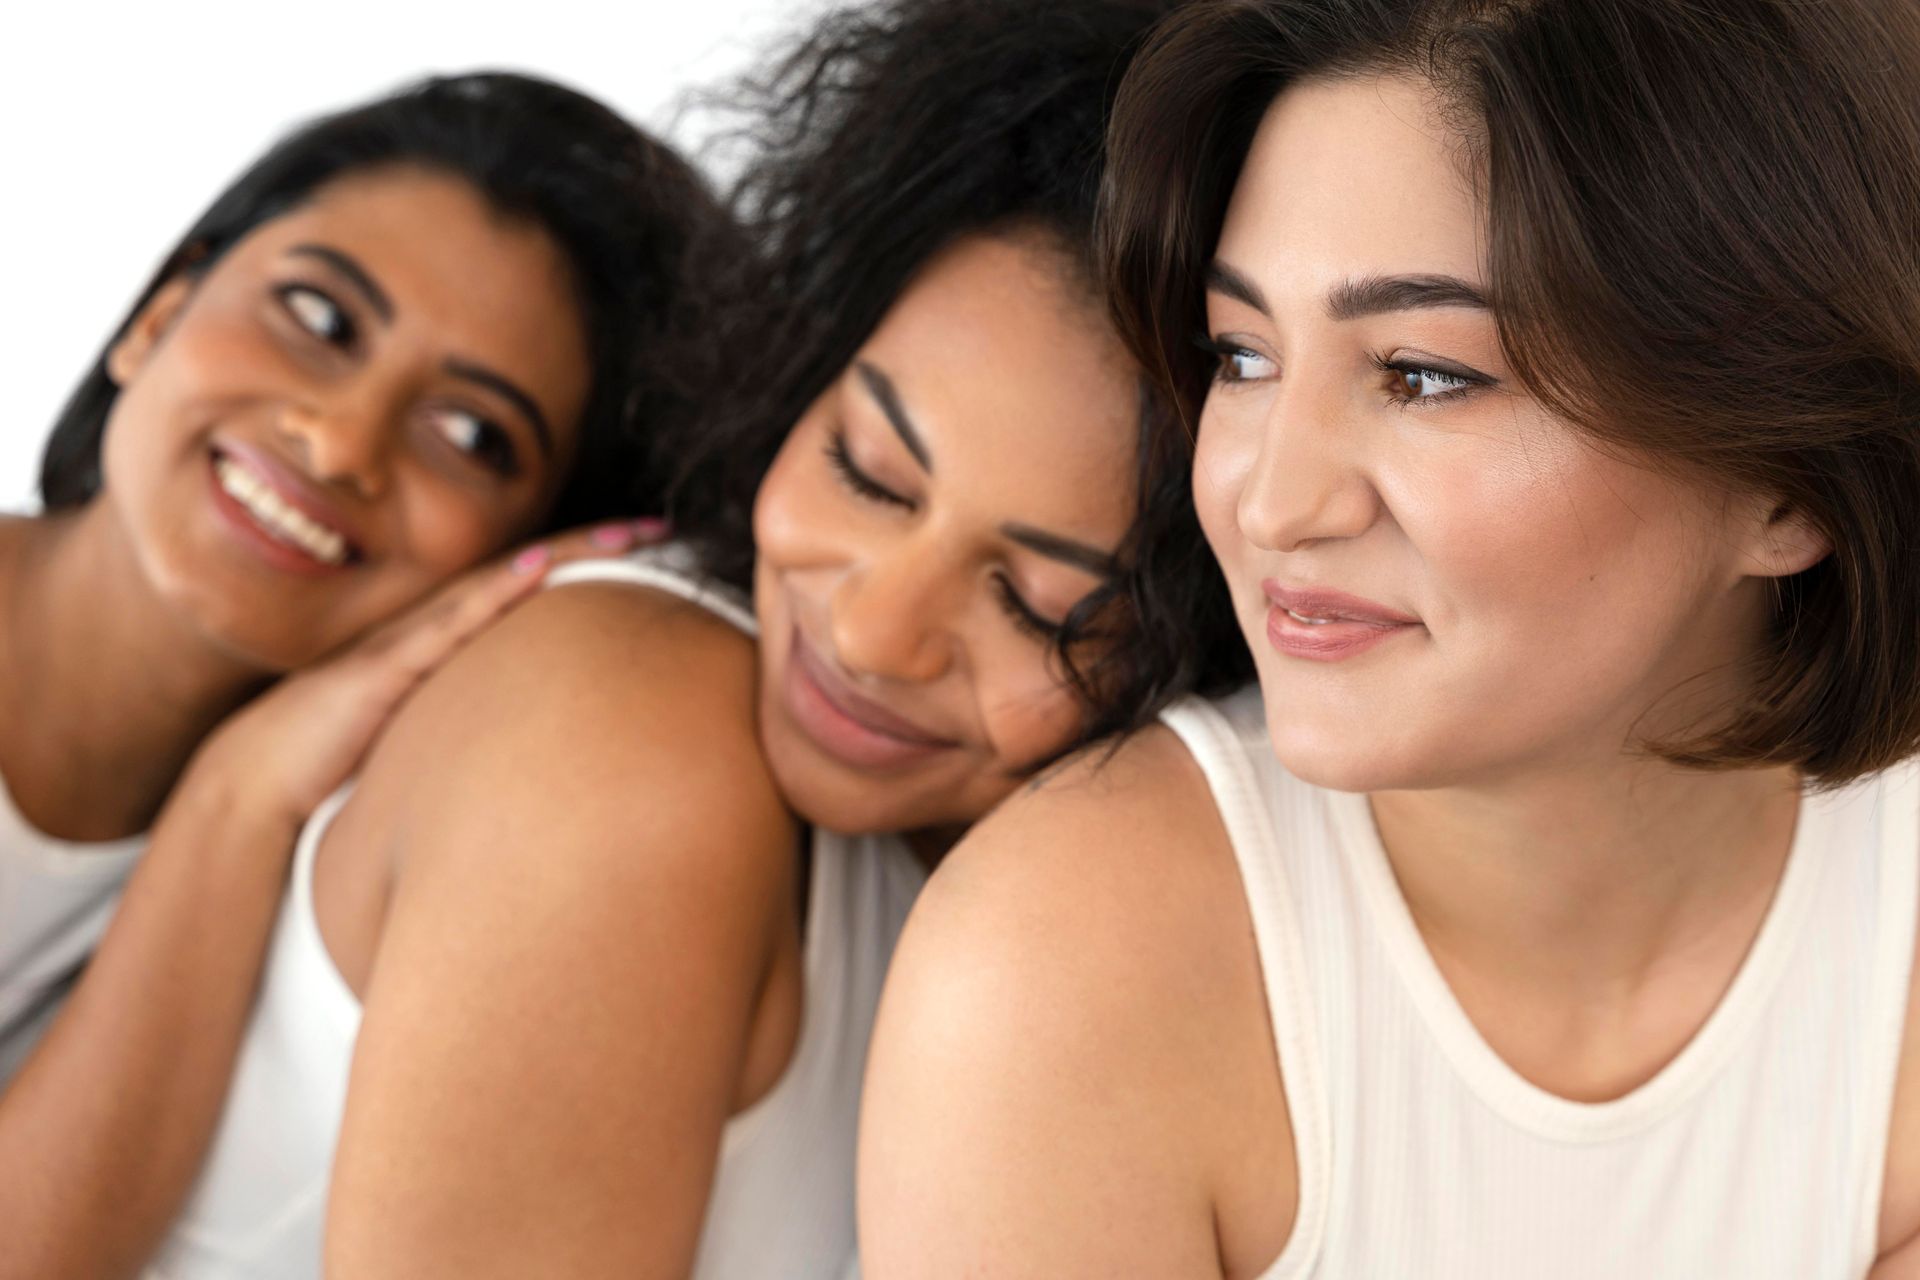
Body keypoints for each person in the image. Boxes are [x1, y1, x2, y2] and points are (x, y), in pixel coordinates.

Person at [139, 2, 1247, 1276]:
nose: (875, 632)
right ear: (799, 375)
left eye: (1042, 606)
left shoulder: (1061, 897)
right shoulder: (631, 744)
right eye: (870, 470)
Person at [858, 1, 1920, 1276]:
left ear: (1790, 485)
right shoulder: (1059, 973)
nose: (1270, 501)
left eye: (1421, 373)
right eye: (1241, 355)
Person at [0, 71, 727, 1277]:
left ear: (524, 548)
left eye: (473, 435)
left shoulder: (361, 825)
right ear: (155, 315)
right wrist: (235, 800)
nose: (339, 440)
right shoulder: (253, 789)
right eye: (321, 318)